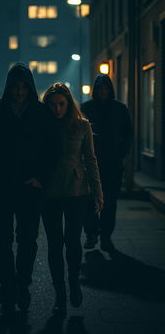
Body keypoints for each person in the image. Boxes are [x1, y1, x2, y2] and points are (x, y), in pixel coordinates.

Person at [0, 62, 57, 320]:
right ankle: (7, 287)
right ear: (9, 86)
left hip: (30, 187)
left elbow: (53, 149)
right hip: (1, 186)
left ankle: (22, 284)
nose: (19, 92)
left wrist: (41, 177)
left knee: (28, 240)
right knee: (2, 241)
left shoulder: (42, 113)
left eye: (23, 87)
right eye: (15, 87)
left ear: (29, 87)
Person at [42, 83, 103, 317]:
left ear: (69, 104)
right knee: (55, 243)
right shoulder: (43, 126)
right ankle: (60, 292)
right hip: (49, 191)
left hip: (77, 190)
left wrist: (98, 191)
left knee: (73, 240)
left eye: (61, 104)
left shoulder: (82, 125)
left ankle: (73, 280)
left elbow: (91, 159)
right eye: (53, 104)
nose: (57, 108)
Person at [81, 74, 133, 252]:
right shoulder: (86, 108)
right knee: (89, 201)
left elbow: (128, 134)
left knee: (110, 203)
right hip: (90, 164)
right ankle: (91, 233)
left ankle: (105, 237)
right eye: (100, 88)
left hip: (113, 164)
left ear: (110, 89)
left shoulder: (120, 109)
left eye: (106, 88)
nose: (103, 91)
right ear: (95, 90)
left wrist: (121, 154)